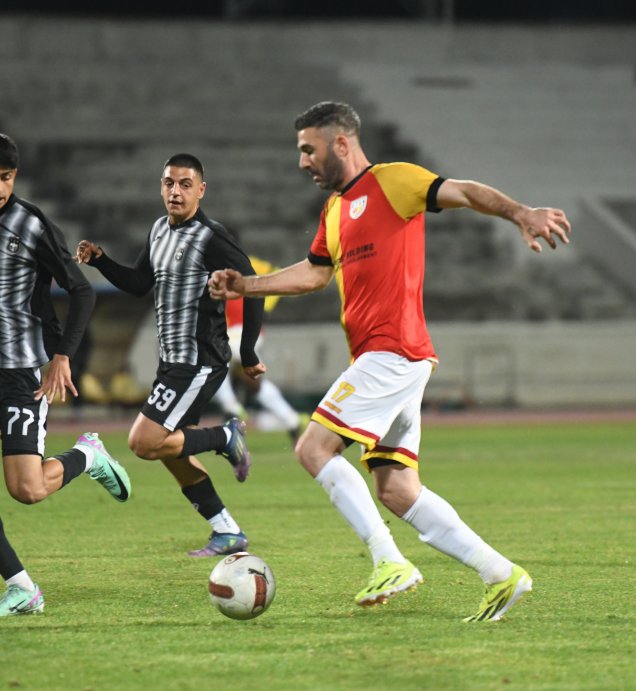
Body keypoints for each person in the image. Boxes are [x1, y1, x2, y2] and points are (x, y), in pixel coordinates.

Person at [209, 101, 571, 622]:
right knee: (398, 489)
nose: (302, 162)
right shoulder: (334, 210)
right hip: (393, 359)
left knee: (313, 448)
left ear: (341, 143)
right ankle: (501, 574)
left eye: (309, 149)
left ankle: (389, 561)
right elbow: (314, 274)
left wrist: (521, 212)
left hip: (392, 351)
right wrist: (246, 285)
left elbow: (465, 191)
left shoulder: (393, 181)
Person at [0, 128, 132, 617]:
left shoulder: (33, 225)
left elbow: (82, 291)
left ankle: (88, 456)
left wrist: (62, 356)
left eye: (7, 177)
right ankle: (22, 588)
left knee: (27, 489)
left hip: (18, 373)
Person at [76, 153, 262, 557]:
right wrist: (102, 260)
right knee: (170, 450)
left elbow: (253, 285)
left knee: (144, 442)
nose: (175, 191)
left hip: (199, 360)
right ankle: (227, 531)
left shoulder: (211, 237)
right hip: (172, 362)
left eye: (185, 184)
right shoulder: (159, 229)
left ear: (201, 190)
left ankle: (226, 436)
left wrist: (247, 351)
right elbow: (140, 283)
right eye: (169, 183)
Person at [212, 254, 305, 445]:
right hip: (241, 332)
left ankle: (231, 407)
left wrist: (263, 305)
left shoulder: (239, 264)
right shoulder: (233, 263)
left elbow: (275, 274)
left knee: (210, 363)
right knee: (254, 384)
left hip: (239, 331)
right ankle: (291, 420)